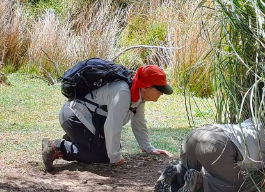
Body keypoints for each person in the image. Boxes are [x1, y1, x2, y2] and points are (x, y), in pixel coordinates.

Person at [42, 65, 173, 172]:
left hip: (83, 119)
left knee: (112, 147)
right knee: (103, 155)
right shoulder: (123, 93)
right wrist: (115, 157)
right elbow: (112, 126)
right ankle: (58, 147)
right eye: (158, 89)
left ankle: (78, 139)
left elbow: (138, 123)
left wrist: (148, 148)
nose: (161, 93)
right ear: (145, 86)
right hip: (73, 116)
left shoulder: (138, 96)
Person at [154, 118, 265, 192]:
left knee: (187, 166)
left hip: (196, 134)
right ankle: (200, 183)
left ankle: (176, 171)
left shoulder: (253, 121)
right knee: (236, 186)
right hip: (216, 144)